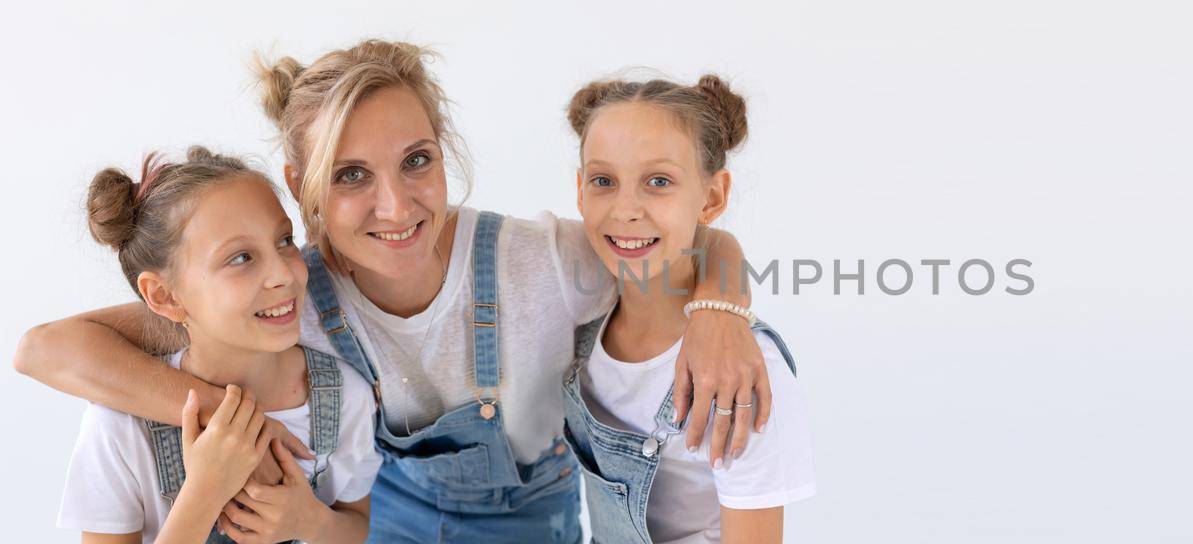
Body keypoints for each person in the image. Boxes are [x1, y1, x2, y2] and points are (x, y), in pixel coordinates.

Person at [16, 40, 773, 542]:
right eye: (350, 176)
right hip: (382, 526)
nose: (395, 205)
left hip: (531, 525)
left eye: (416, 161)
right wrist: (225, 417)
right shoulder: (283, 298)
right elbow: (43, 348)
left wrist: (720, 307)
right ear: (299, 187)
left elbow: (687, 242)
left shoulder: (535, 261)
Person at [58, 147, 380, 543]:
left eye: (284, 240)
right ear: (164, 297)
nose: (284, 273)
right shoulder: (119, 428)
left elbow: (355, 526)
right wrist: (204, 493)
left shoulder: (347, 395)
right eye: (241, 257)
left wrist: (311, 521)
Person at [561, 75, 816, 543]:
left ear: (712, 197)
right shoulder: (579, 308)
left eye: (659, 181)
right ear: (580, 191)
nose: (626, 209)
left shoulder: (742, 371)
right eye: (604, 180)